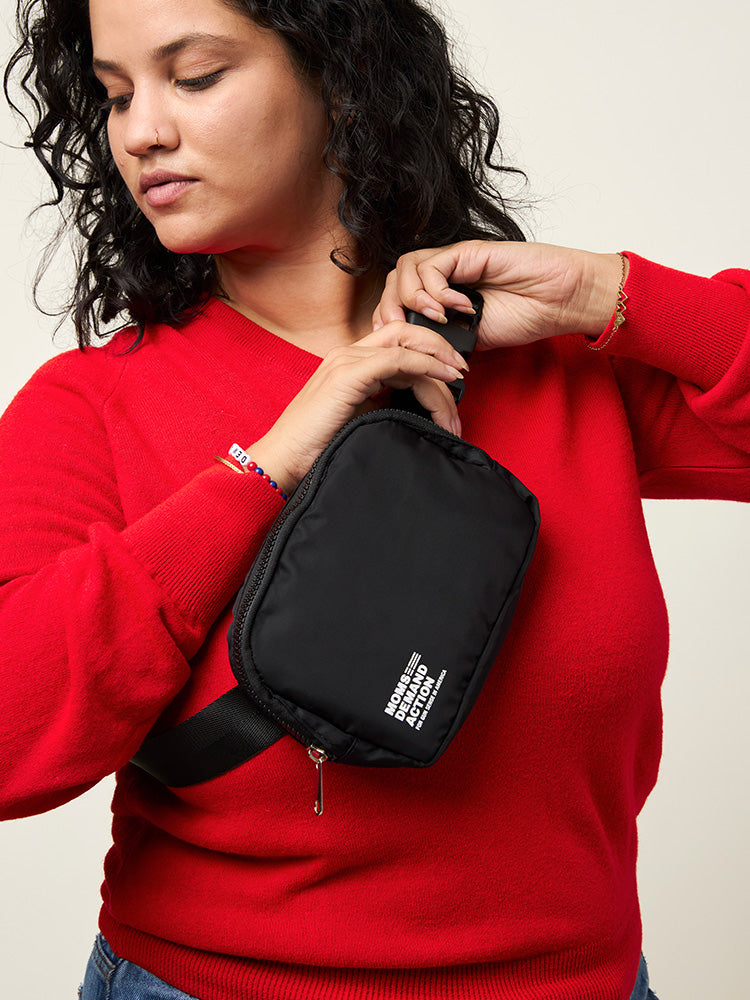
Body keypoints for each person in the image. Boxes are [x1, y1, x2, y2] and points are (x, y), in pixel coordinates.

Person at [0, 1, 747, 999]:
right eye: (116, 93)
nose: (141, 131)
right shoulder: (93, 406)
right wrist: (264, 469)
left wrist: (607, 294)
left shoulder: (556, 366)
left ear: (340, 77)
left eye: (197, 74)